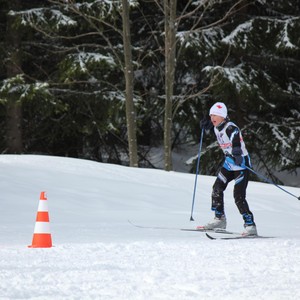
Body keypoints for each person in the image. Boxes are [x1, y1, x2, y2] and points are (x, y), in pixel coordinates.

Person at [198, 102, 257, 236]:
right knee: (217, 189)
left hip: (241, 164)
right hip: (229, 164)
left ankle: (250, 225)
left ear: (223, 117)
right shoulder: (216, 127)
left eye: (216, 115)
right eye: (211, 115)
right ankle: (220, 219)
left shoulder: (231, 127)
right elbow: (212, 126)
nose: (213, 117)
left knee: (238, 196)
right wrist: (205, 126)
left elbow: (235, 137)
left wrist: (236, 151)